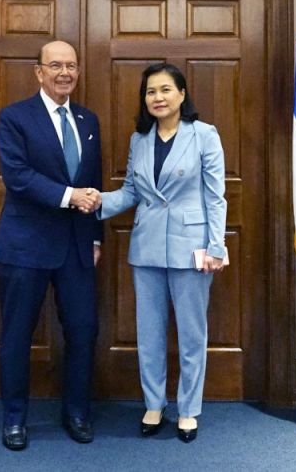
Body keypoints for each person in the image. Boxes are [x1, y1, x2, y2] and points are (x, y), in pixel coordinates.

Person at [96, 62, 227, 443]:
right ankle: (153, 404)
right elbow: (131, 192)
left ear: (182, 94)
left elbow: (215, 196)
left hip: (192, 247)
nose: (158, 97)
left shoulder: (204, 135)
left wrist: (216, 246)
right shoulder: (139, 140)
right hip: (147, 246)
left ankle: (188, 410)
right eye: (151, 91)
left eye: (166, 89)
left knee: (191, 334)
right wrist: (95, 201)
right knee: (149, 333)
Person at [0, 40, 103, 451]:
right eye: (55, 65)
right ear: (38, 72)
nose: (64, 73)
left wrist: (96, 235)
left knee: (83, 330)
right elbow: (18, 176)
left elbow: (94, 180)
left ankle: (76, 413)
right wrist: (70, 196)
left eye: (71, 66)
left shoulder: (88, 119)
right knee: (17, 334)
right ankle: (14, 419)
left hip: (77, 246)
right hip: (26, 246)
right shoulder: (14, 117)